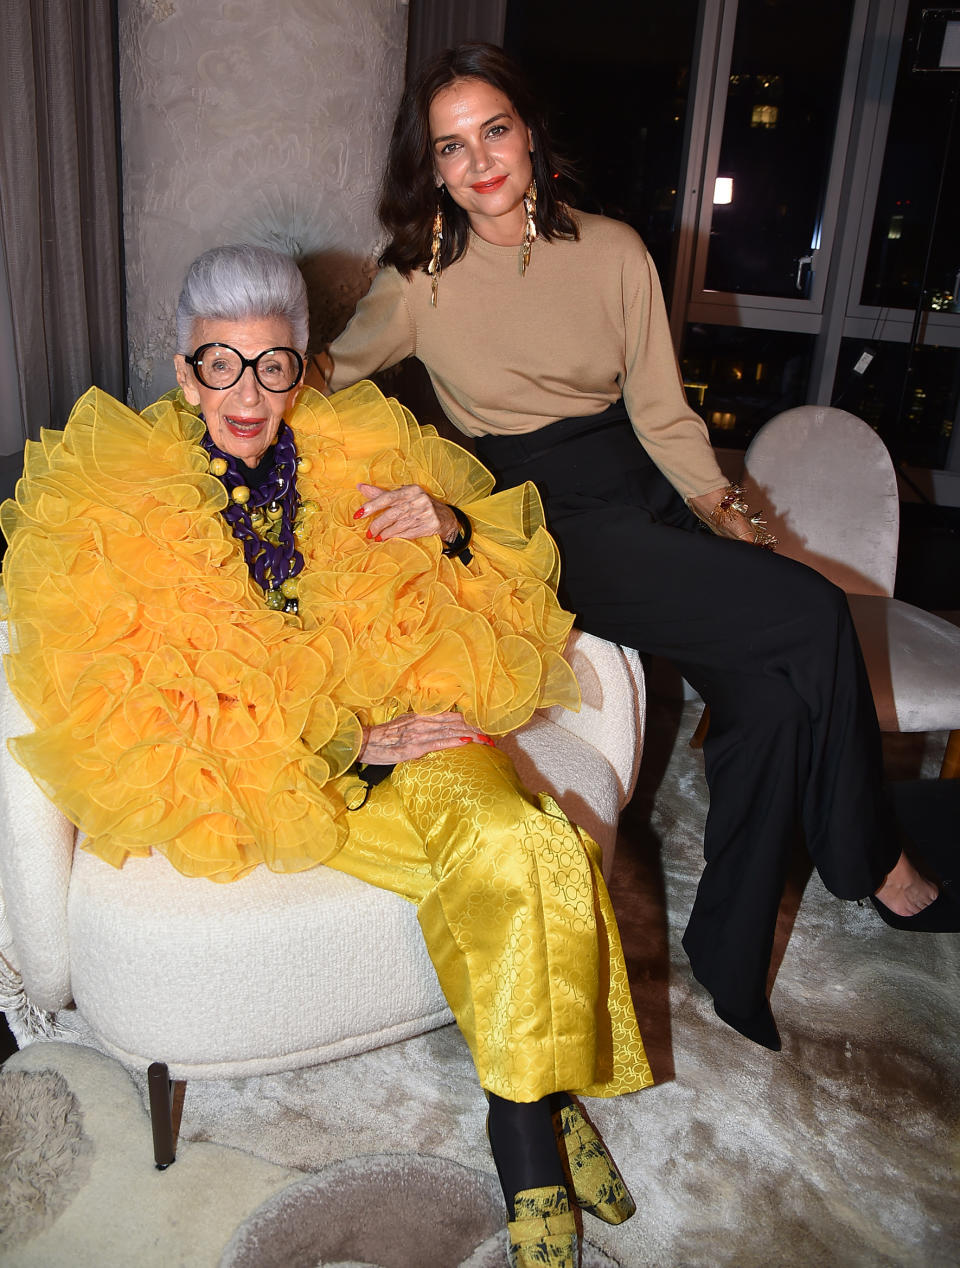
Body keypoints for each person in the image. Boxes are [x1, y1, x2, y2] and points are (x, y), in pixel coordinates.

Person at [0, 244, 652, 1268]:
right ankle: (545, 1123)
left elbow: (507, 578)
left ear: (301, 371)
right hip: (284, 777)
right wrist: (350, 737)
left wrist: (451, 529)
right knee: (527, 856)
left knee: (520, 841)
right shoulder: (124, 498)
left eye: (272, 367)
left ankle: (522, 1124)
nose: (246, 393)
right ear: (185, 370)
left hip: (418, 721)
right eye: (221, 363)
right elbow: (153, 713)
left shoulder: (362, 446)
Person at [325, 41, 939, 1054]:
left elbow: (662, 417)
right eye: (450, 147)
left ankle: (732, 958)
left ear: (529, 134)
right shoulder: (416, 284)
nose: (479, 161)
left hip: (643, 489)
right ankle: (869, 856)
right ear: (428, 168)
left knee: (778, 698)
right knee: (819, 614)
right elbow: (322, 380)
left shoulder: (614, 251)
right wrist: (235, 385)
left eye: (495, 131)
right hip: (550, 522)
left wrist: (738, 529)